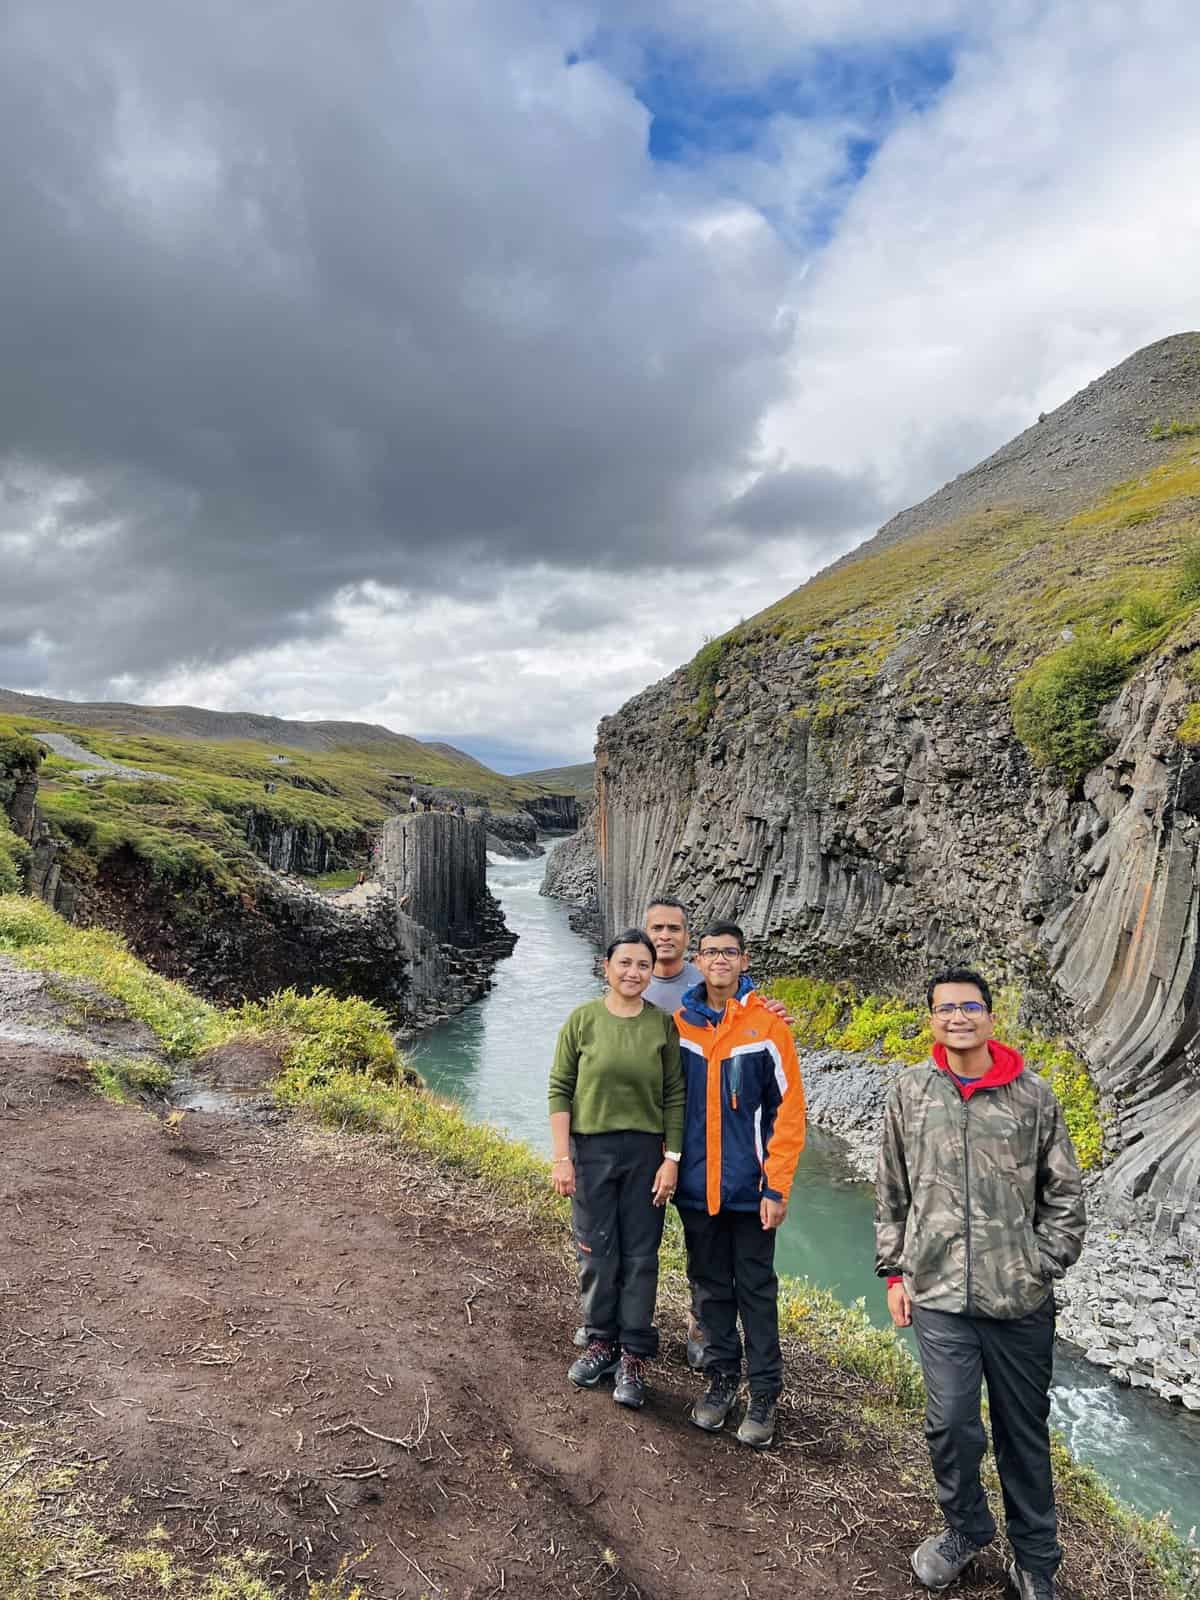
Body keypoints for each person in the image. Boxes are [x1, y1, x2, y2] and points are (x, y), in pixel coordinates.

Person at [875, 968, 1086, 1600]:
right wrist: (894, 1271)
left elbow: (1065, 1197)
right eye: (945, 1008)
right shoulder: (909, 1092)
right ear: (932, 1018)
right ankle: (965, 1529)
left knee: (1023, 1434)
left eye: (970, 1006)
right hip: (938, 1296)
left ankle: (1036, 1563)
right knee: (951, 1424)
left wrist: (1040, 1263)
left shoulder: (1033, 1096)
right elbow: (891, 1193)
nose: (957, 1017)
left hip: (1019, 1301)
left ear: (991, 1016)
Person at [674, 921, 806, 1449]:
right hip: (695, 1189)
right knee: (709, 1288)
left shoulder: (768, 1028)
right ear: (698, 961)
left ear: (744, 960)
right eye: (710, 952)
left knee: (755, 1291)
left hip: (750, 1191)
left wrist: (777, 1188)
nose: (720, 961)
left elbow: (788, 1114)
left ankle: (765, 1393)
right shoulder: (680, 1024)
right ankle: (722, 1378)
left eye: (730, 952)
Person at [548, 929, 686, 1410]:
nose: (633, 973)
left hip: (646, 1154)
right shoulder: (582, 1021)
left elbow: (674, 1096)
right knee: (596, 1252)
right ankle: (601, 1341)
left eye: (643, 965)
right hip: (590, 1152)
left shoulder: (662, 1025)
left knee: (640, 1258)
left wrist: (672, 1161)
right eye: (624, 963)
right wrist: (561, 1157)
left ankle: (633, 1356)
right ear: (605, 966)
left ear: (653, 972)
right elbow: (560, 1089)